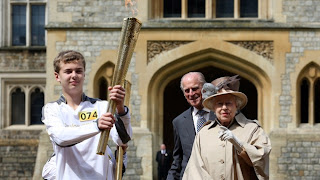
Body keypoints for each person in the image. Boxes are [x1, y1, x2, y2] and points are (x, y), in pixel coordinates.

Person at [41, 50, 132, 180]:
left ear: (84, 74)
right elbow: (61, 137)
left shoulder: (101, 106)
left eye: (78, 71)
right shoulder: (52, 109)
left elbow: (122, 140)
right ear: (57, 76)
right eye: (68, 71)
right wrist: (96, 126)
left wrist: (120, 108)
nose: (74, 75)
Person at [183, 75, 272, 180]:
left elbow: (262, 159)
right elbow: (195, 170)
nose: (224, 108)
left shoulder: (253, 129)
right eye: (220, 104)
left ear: (236, 106)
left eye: (228, 103)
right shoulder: (203, 134)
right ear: (213, 108)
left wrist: (239, 144)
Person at [167, 72, 216, 180]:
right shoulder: (179, 122)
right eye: (187, 90)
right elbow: (177, 160)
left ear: (204, 88)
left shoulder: (221, 115)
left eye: (194, 89)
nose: (191, 94)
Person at [42, 145, 128, 180]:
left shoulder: (105, 147)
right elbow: (47, 172)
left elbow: (115, 173)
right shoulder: (74, 146)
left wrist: (122, 154)